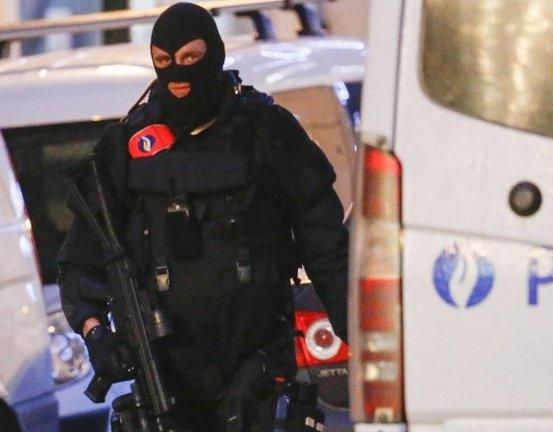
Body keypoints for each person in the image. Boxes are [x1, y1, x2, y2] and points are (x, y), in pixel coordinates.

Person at [56, 3, 348, 431]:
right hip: (165, 374)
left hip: (257, 363)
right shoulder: (125, 149)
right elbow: (82, 260)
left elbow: (328, 249)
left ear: (215, 52)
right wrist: (97, 333)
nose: (178, 74)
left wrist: (364, 334)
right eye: (163, 62)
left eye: (191, 59)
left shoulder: (265, 131)